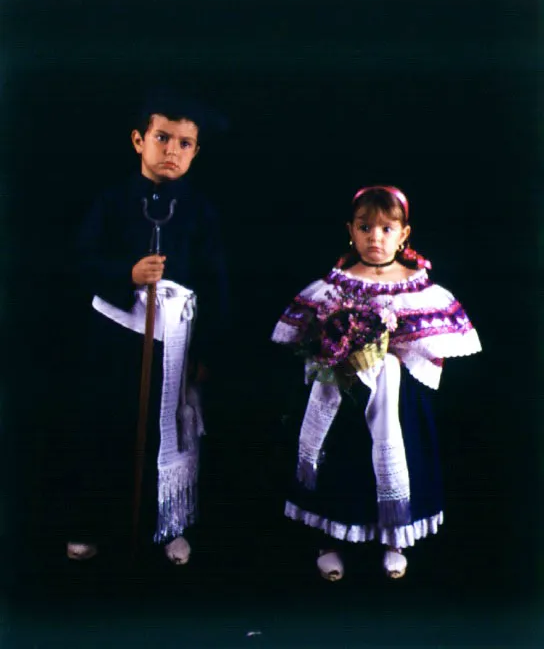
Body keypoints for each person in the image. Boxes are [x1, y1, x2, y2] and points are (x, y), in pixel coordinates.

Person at [271, 185, 481, 580]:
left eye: (386, 229)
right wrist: (335, 350)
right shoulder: (338, 282)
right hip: (344, 391)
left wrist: (389, 358)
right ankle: (329, 538)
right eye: (365, 228)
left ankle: (393, 539)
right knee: (342, 461)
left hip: (394, 397)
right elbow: (310, 336)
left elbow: (430, 350)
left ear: (404, 234)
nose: (375, 238)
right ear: (350, 230)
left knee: (395, 456)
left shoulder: (417, 287)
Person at [65, 89, 229, 565]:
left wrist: (208, 355)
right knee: (107, 426)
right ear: (139, 140)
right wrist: (127, 275)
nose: (171, 150)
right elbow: (79, 261)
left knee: (170, 431)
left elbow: (217, 285)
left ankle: (167, 525)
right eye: (162, 138)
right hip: (115, 339)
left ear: (196, 151)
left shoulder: (201, 212)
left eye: (184, 142)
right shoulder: (112, 202)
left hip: (176, 343)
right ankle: (93, 521)